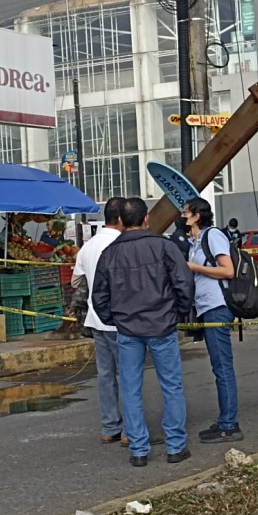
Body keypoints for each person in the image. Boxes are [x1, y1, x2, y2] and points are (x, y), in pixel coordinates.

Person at [93, 197, 195, 467]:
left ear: (121, 222)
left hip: (127, 329)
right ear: (146, 218)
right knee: (171, 386)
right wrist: (178, 313)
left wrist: (114, 319)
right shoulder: (164, 247)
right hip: (162, 325)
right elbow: (184, 283)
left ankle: (139, 449)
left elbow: (99, 296)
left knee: (130, 388)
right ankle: (175, 447)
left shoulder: (110, 253)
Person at [183, 197, 244, 443]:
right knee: (218, 366)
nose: (182, 216)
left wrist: (194, 268)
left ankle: (229, 425)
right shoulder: (196, 241)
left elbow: (228, 270)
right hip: (206, 307)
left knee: (222, 366)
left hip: (218, 306)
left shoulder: (213, 236)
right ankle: (224, 420)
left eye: (186, 212)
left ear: (197, 215)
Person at [72, 197, 128, 445]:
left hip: (96, 320)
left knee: (106, 374)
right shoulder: (122, 243)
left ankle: (110, 427)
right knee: (128, 374)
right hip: (121, 320)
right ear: (121, 218)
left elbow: (75, 281)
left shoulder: (88, 246)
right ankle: (130, 429)